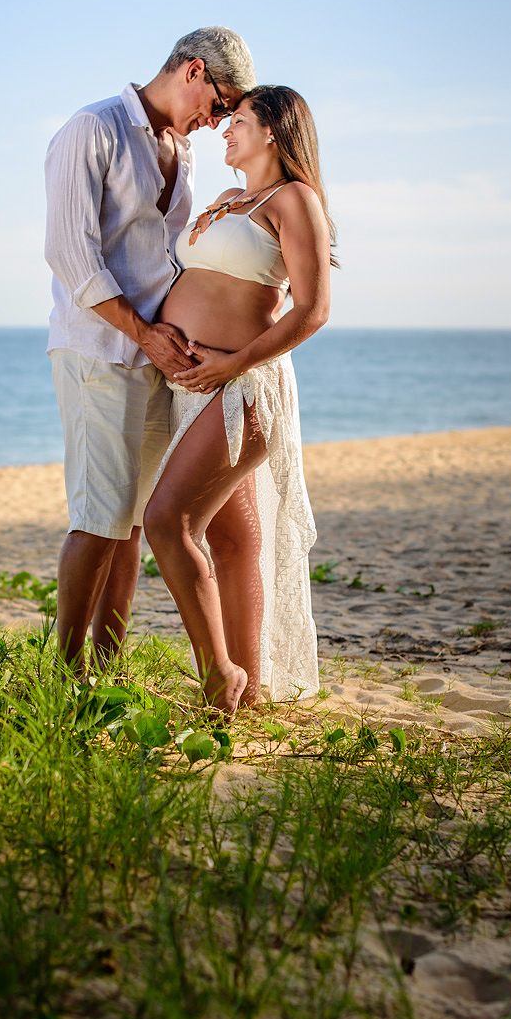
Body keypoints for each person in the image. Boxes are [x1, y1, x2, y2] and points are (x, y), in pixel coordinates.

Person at [44, 27, 256, 673]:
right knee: (97, 518)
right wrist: (144, 334)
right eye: (219, 105)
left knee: (131, 521)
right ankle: (65, 674)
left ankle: (105, 672)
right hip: (101, 351)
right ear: (193, 70)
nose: (216, 122)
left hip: (158, 360)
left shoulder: (178, 150)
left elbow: (164, 256)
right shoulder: (93, 128)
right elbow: (70, 255)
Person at [143, 86, 336, 713]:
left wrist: (235, 361)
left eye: (240, 122)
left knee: (168, 522)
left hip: (242, 390)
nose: (224, 130)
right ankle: (246, 690)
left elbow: (311, 309)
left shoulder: (294, 200)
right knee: (233, 540)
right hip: (191, 386)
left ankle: (217, 673)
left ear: (274, 131)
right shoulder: (228, 199)